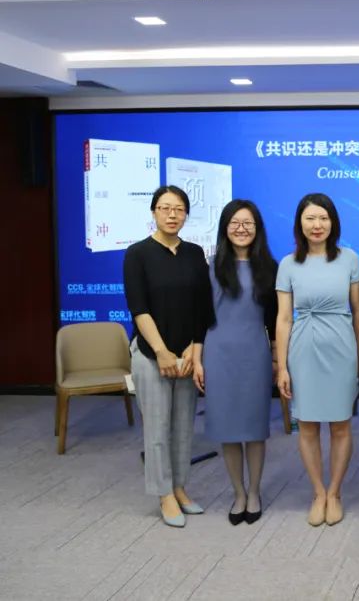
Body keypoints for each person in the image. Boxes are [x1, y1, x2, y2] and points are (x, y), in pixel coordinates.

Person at [123, 185, 212, 527]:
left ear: (186, 214)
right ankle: (163, 494)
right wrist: (161, 352)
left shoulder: (194, 253)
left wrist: (194, 347)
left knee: (183, 427)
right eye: (165, 208)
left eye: (179, 209)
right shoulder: (137, 254)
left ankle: (179, 487)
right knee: (157, 427)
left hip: (187, 353)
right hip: (151, 353)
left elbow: (203, 306)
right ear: (154, 212)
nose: (172, 215)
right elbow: (138, 308)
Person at [275, 193, 359, 527]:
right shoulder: (288, 264)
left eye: (323, 218)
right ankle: (318, 493)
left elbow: (358, 312)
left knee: (341, 424)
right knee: (308, 424)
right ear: (299, 223)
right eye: (310, 218)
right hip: (303, 349)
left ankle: (335, 492)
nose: (317, 225)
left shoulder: (349, 259)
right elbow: (284, 318)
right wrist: (282, 366)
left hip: (341, 347)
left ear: (333, 222)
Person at [193, 199, 278, 525]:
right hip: (218, 354)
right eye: (235, 223)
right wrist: (198, 359)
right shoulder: (210, 267)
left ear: (257, 229)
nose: (241, 229)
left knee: (254, 429)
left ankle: (254, 492)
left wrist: (276, 359)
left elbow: (274, 320)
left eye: (248, 224)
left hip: (254, 355)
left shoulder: (269, 268)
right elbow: (200, 318)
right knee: (228, 430)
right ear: (225, 228)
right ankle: (238, 493)